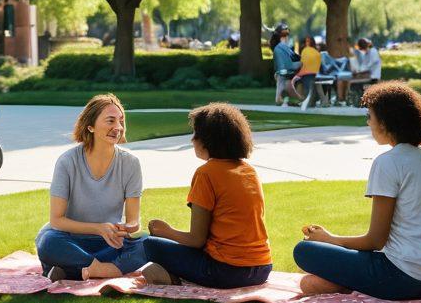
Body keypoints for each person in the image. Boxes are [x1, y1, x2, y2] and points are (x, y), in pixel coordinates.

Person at [293, 81, 421, 300]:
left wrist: (329, 239)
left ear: (386, 122)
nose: (368, 122)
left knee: (303, 251)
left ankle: (351, 284)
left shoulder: (388, 162)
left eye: (370, 116)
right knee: (310, 283)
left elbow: (375, 241)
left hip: (406, 278)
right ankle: (351, 283)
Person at [140, 103, 273, 288]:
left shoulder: (206, 173)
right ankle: (173, 276)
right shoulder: (249, 171)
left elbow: (197, 240)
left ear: (208, 140)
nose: (192, 140)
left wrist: (166, 231)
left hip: (227, 272)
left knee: (149, 243)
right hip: (263, 268)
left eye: (196, 134)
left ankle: (174, 279)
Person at [36, 93, 149, 282]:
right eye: (111, 121)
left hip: (109, 242)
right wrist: (98, 228)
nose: (118, 127)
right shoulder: (67, 161)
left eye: (121, 121)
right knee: (48, 242)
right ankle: (106, 270)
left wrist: (125, 228)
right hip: (70, 239)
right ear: (90, 126)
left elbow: (133, 221)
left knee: (146, 242)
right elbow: (57, 220)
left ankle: (74, 270)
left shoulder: (130, 163)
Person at [270, 24, 300, 106]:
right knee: (283, 85)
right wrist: (302, 58)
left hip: (280, 71)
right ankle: (298, 99)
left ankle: (281, 99)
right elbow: (294, 56)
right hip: (285, 70)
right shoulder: (282, 46)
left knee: (281, 86)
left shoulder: (276, 46)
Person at [290, 35, 322, 108]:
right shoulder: (316, 51)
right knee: (300, 83)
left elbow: (303, 64)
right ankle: (303, 101)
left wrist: (298, 73)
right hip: (315, 73)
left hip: (308, 72)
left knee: (299, 83)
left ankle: (305, 101)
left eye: (308, 41)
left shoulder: (306, 50)